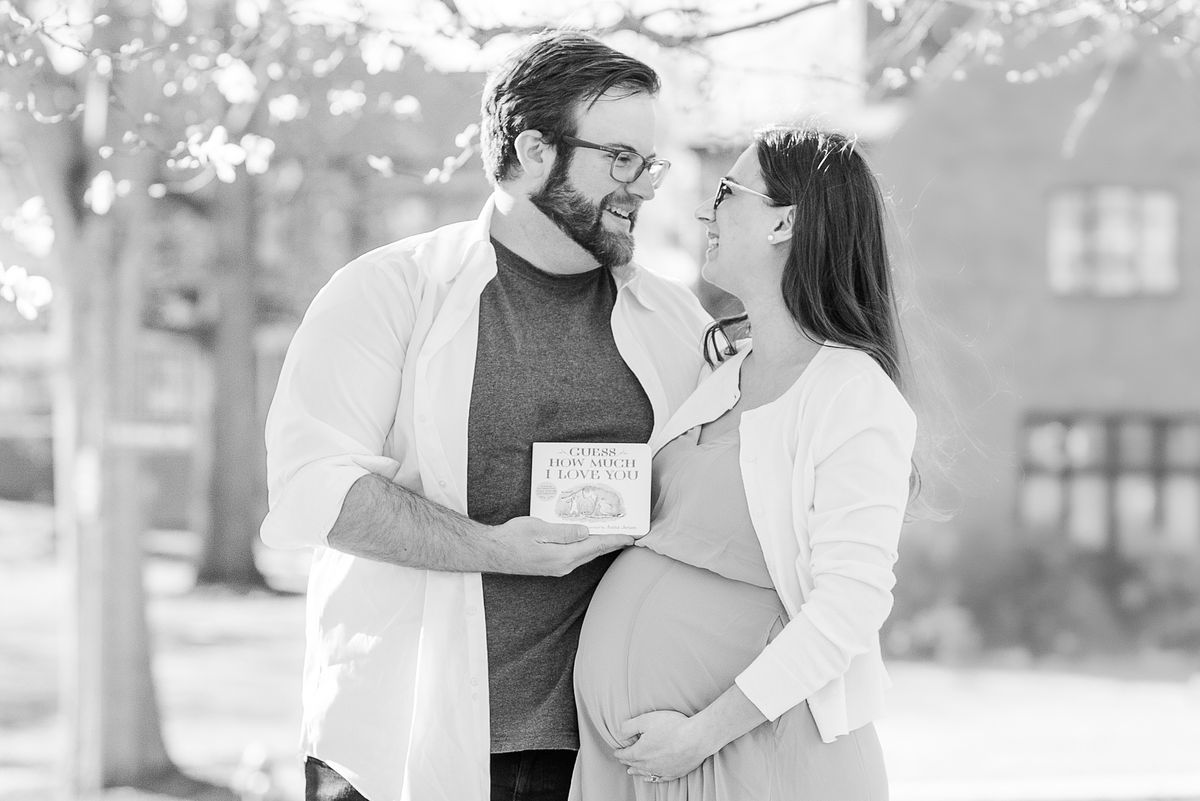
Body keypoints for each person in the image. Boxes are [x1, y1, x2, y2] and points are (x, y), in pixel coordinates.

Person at [261, 30, 712, 801]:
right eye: (622, 159)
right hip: (402, 744)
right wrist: (499, 549)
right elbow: (313, 488)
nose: (644, 186)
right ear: (536, 150)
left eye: (652, 163)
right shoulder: (387, 293)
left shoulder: (674, 321)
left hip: (604, 753)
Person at [570, 125, 918, 800]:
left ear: (785, 220)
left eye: (729, 191)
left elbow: (850, 604)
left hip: (758, 761)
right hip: (647, 764)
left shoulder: (849, 391)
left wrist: (700, 734)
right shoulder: (720, 371)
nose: (708, 209)